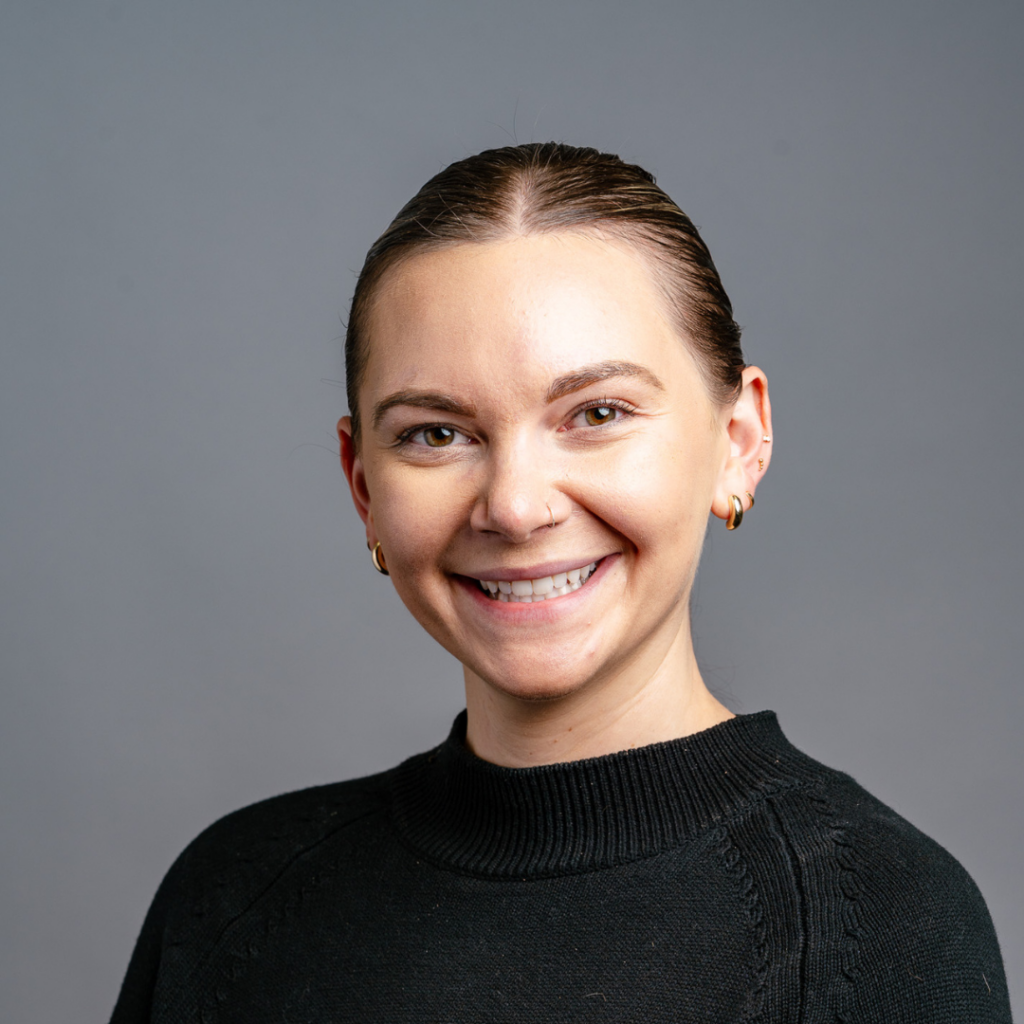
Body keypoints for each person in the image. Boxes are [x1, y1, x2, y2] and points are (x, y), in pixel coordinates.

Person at [110, 143, 1012, 1023]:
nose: (514, 506)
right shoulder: (233, 903)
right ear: (363, 486)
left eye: (597, 414)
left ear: (737, 442)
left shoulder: (886, 928)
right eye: (435, 433)